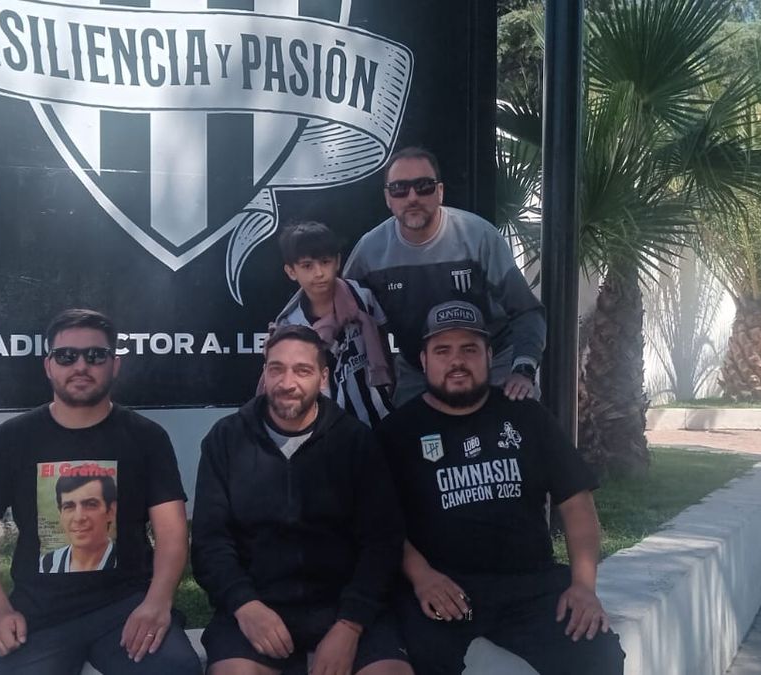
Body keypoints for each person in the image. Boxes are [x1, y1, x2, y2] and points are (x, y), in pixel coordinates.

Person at [376, 301, 624, 675]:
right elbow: (382, 523)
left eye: (469, 349)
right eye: (443, 351)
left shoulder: (527, 416)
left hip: (530, 585)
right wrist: (422, 576)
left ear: (490, 356)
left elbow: (576, 503)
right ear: (424, 361)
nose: (456, 361)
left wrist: (584, 587)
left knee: (597, 655)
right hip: (443, 588)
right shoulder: (397, 433)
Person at [0, 309, 201, 675]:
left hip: (126, 607)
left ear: (114, 365)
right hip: (40, 615)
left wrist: (158, 601)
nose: (81, 365)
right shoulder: (12, 439)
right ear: (49, 366)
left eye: (96, 356)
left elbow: (172, 531)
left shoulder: (146, 438)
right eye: (67, 356)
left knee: (176, 669)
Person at [192, 324, 412, 675]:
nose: (287, 382)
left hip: (343, 605)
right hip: (258, 604)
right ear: (264, 371)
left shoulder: (355, 442)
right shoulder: (226, 439)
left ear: (323, 377)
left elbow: (382, 542)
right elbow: (209, 541)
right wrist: (244, 605)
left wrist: (350, 625)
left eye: (302, 370)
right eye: (276, 368)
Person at [343, 147, 546, 407]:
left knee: (523, 429)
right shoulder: (369, 252)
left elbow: (527, 311)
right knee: (398, 441)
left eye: (424, 186)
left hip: (493, 367)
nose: (412, 197)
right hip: (418, 371)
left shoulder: (479, 237)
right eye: (399, 189)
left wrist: (524, 369)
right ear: (387, 198)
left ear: (440, 191)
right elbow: (340, 306)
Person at [270, 221, 394, 428]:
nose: (319, 273)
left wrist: (389, 385)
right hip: (326, 428)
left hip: (379, 417)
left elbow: (383, 346)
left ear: (337, 262)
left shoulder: (361, 297)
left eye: (325, 262)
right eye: (307, 266)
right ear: (291, 271)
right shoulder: (290, 325)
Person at [40, 474, 119, 573]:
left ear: (111, 511)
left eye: (91, 505)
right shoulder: (46, 565)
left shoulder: (126, 562)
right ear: (60, 513)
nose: (78, 518)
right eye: (69, 506)